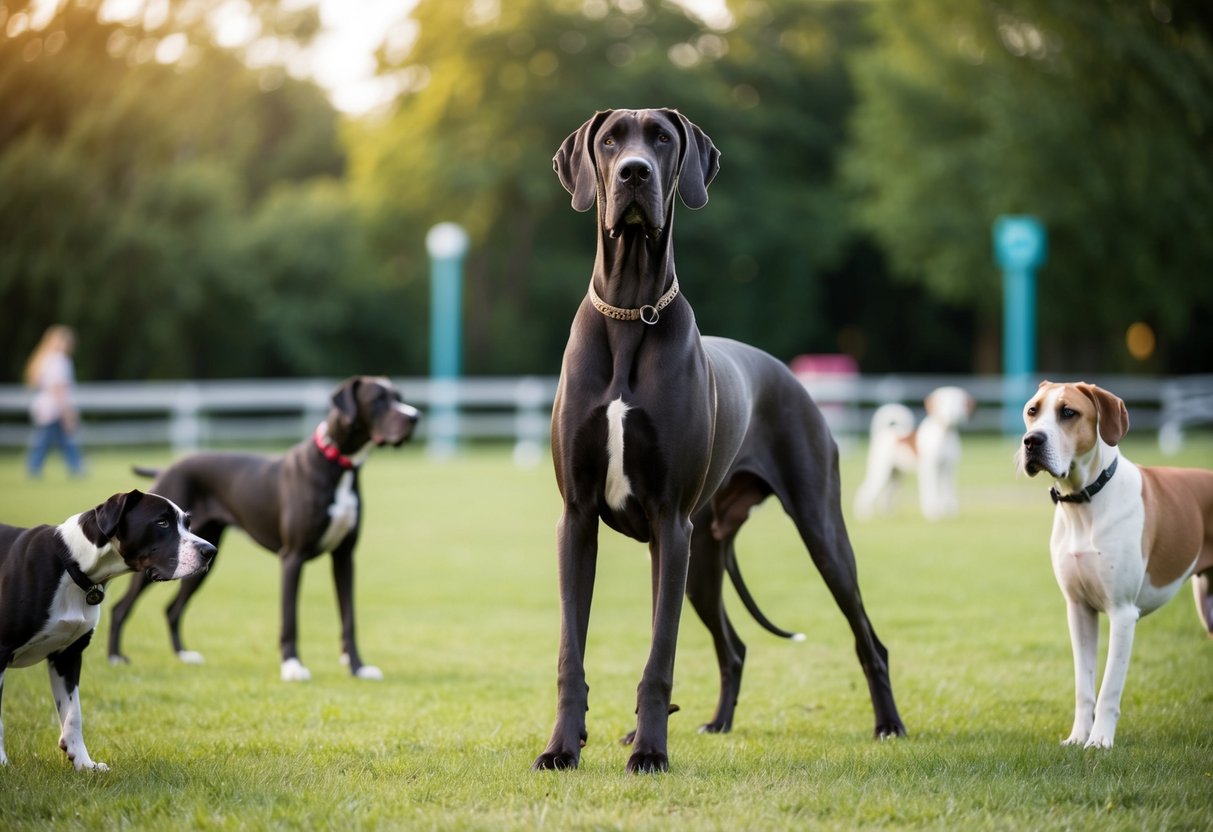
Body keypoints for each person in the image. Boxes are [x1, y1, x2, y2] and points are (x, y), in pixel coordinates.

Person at [24, 324, 85, 477]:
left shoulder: (45, 360)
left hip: (45, 408)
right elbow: (57, 389)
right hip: (54, 409)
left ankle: (74, 466)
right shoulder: (60, 361)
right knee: (53, 440)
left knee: (53, 440)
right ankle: (75, 466)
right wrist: (67, 412)